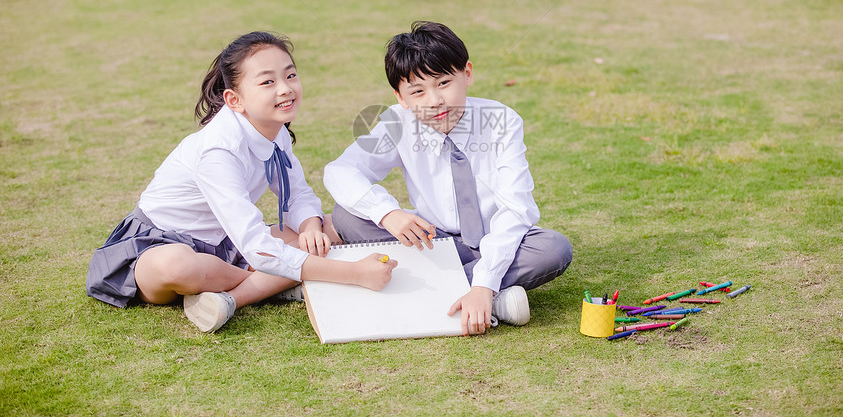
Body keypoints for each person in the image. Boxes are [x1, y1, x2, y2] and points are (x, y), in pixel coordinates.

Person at [86, 31, 397, 332]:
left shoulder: (274, 128)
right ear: (234, 100)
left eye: (290, 76)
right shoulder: (218, 151)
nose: (285, 89)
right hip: (161, 245)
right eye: (267, 82)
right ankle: (275, 283)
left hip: (228, 244)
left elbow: (296, 192)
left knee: (331, 229)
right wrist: (353, 273)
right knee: (179, 266)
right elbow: (256, 246)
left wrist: (308, 226)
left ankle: (245, 291)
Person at [324, 21, 572, 336]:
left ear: (467, 74)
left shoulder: (501, 121)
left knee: (553, 248)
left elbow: (516, 209)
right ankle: (485, 299)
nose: (435, 100)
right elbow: (340, 170)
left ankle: (449, 293)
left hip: (492, 242)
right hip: (431, 241)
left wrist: (484, 282)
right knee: (346, 214)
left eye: (443, 83)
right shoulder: (396, 122)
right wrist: (388, 213)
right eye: (417, 91)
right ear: (401, 98)